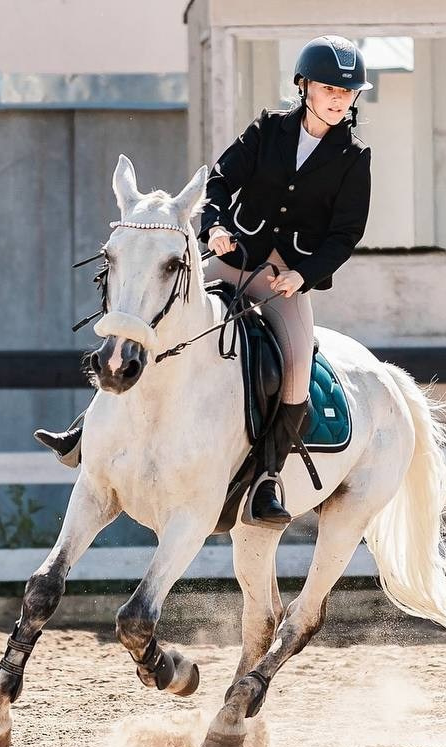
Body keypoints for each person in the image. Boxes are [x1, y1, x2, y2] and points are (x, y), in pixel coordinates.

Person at [36, 34, 373, 528]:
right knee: (155, 324)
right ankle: (85, 431)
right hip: (234, 259)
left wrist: (303, 275)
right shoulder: (269, 129)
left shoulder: (354, 157)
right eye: (329, 89)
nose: (338, 98)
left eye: (347, 92)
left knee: (298, 366)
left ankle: (267, 481)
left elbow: (346, 233)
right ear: (304, 87)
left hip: (284, 280)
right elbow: (220, 178)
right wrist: (214, 224)